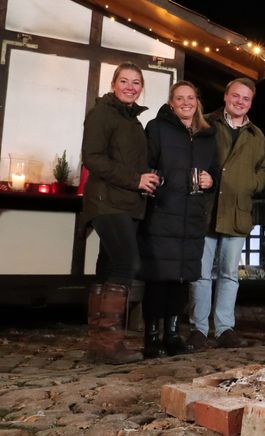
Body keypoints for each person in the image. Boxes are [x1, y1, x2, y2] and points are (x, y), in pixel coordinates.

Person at [81, 62, 158, 364]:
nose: (130, 86)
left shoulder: (131, 119)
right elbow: (92, 158)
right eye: (124, 81)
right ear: (113, 84)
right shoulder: (103, 113)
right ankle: (111, 343)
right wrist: (135, 179)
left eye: (135, 82)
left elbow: (127, 160)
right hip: (107, 201)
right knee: (127, 262)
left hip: (125, 202)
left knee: (108, 265)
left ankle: (99, 345)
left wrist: (145, 177)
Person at [189, 78, 265, 350]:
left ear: (251, 102)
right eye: (236, 96)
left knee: (229, 274)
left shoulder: (257, 136)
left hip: (237, 212)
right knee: (200, 273)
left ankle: (224, 329)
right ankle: (199, 329)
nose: (240, 102)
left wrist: (252, 183)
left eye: (246, 99)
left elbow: (264, 170)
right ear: (226, 96)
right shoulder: (207, 123)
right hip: (208, 209)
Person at [139, 81, 217, 358]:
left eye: (191, 97)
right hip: (163, 211)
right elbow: (146, 163)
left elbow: (215, 171)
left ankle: (172, 334)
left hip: (192, 216)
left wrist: (211, 180)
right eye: (180, 98)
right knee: (158, 277)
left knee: (182, 279)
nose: (186, 103)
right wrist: (158, 180)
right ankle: (151, 336)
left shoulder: (208, 134)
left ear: (198, 102)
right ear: (171, 103)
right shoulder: (157, 128)